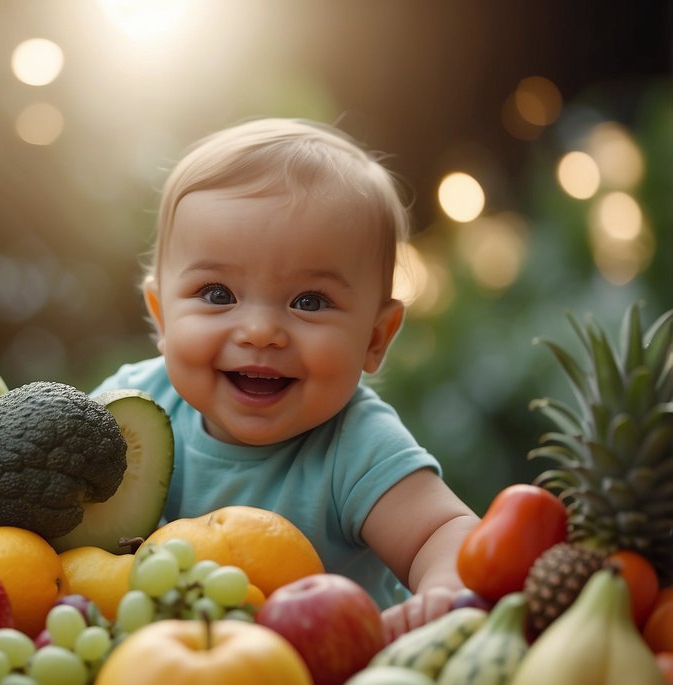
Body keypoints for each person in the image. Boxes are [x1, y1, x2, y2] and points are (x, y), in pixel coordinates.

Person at [91, 117, 479, 640]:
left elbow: (446, 532)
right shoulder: (133, 408)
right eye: (217, 294)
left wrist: (441, 593)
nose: (259, 331)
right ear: (161, 316)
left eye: (309, 302)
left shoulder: (355, 444)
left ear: (375, 338)